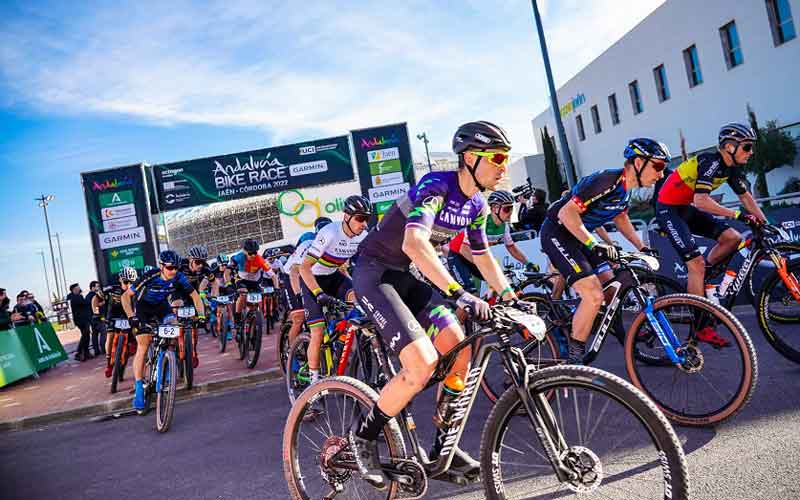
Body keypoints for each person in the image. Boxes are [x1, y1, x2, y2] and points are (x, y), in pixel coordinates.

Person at [350, 121, 527, 488]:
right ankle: (363, 438)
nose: (503, 166)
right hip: (375, 273)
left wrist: (512, 297)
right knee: (422, 363)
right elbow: (415, 243)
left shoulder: (478, 203)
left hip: (406, 276)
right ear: (469, 158)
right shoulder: (436, 185)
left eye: (506, 158)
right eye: (497, 157)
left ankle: (442, 450)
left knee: (458, 347)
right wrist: (459, 292)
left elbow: (482, 256)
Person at [541, 138, 669, 363]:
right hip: (559, 232)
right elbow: (566, 214)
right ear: (638, 162)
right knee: (593, 294)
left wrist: (642, 246)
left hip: (581, 236)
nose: (660, 174)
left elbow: (621, 218)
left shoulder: (627, 190)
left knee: (611, 291)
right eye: (657, 166)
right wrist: (595, 244)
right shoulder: (607, 181)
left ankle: (620, 338)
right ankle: (575, 357)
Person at [656, 122, 767, 346]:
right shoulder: (711, 162)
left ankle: (702, 278)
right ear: (728, 147)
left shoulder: (731, 169)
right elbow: (701, 200)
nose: (750, 152)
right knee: (695, 264)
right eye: (746, 147)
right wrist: (738, 215)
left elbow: (746, 197)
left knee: (733, 238)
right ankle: (700, 326)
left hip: (685, 208)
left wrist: (764, 223)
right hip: (668, 209)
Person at [299, 198, 370, 397]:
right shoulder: (329, 232)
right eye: (360, 219)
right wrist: (318, 293)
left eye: (367, 219)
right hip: (313, 279)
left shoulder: (362, 236)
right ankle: (313, 384)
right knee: (318, 332)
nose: (364, 224)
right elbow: (304, 267)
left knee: (360, 302)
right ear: (346, 217)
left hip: (333, 277)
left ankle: (345, 339)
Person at [121, 250, 205, 411]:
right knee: (143, 344)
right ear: (161, 266)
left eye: (176, 267)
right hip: (143, 308)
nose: (174, 271)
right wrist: (132, 317)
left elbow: (195, 296)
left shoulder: (179, 277)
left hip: (162, 307)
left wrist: (201, 316)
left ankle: (166, 363)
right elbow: (126, 296)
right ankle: (139, 387)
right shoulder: (150, 276)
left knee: (173, 328)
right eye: (170, 267)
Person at [448, 189, 535, 294]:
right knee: (470, 295)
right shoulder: (481, 224)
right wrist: (484, 265)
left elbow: (511, 248)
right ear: (495, 209)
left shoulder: (504, 227)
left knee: (501, 284)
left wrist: (528, 263)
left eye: (511, 208)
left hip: (475, 257)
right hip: (458, 255)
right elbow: (463, 249)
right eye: (507, 209)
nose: (510, 213)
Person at [283, 219, 332, 351]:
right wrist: (299, 295)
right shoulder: (308, 245)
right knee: (299, 317)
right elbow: (294, 272)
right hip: (292, 277)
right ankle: (291, 353)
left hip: (311, 275)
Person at [229, 239, 279, 332]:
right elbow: (228, 270)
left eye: (255, 253)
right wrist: (228, 280)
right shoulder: (239, 257)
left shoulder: (260, 260)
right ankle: (237, 318)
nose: (253, 255)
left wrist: (276, 288)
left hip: (254, 282)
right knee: (243, 295)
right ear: (245, 251)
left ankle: (253, 319)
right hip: (241, 279)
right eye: (250, 253)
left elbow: (273, 276)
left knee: (255, 304)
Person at [178, 244, 216, 368]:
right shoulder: (180, 264)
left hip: (192, 294)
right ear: (190, 259)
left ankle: (193, 350)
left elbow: (215, 282)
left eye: (203, 262)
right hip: (177, 293)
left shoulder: (205, 268)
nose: (200, 265)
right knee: (175, 320)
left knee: (195, 324)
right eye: (198, 262)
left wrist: (214, 298)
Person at [103, 267, 137, 377]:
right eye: (125, 282)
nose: (128, 285)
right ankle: (108, 363)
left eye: (131, 282)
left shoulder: (136, 289)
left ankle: (132, 343)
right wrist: (95, 311)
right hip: (114, 315)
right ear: (120, 280)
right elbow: (95, 299)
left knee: (136, 328)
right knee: (110, 336)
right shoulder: (112, 289)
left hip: (128, 315)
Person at [67, 284, 94, 361]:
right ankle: (79, 353)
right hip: (81, 320)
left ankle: (86, 352)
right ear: (74, 290)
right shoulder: (75, 298)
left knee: (86, 335)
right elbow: (85, 303)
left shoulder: (76, 297)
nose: (79, 289)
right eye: (78, 288)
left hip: (83, 319)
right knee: (85, 335)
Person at [86, 281, 106, 356]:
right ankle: (104, 349)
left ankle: (96, 350)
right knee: (104, 333)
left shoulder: (87, 296)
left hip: (91, 318)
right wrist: (103, 303)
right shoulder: (95, 296)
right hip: (98, 317)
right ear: (93, 287)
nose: (98, 288)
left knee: (95, 335)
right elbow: (96, 306)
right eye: (97, 286)